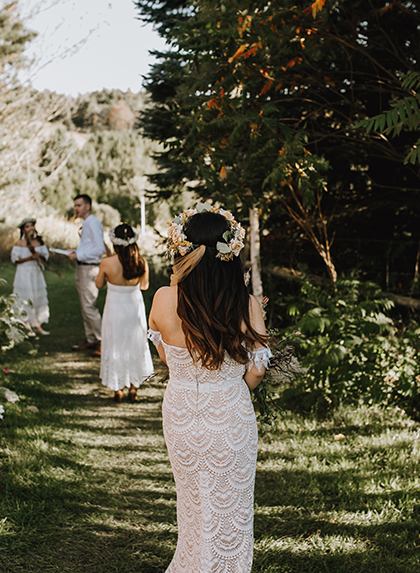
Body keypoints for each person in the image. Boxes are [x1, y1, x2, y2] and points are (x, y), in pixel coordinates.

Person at [147, 203, 271, 573]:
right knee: (230, 507)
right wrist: (231, 386)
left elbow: (167, 358)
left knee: (193, 506)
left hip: (182, 412)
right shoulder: (245, 305)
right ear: (230, 254)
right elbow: (258, 370)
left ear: (182, 251)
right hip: (230, 412)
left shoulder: (163, 300)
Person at [95, 224, 153, 403]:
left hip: (115, 307)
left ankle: (118, 388)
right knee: (135, 343)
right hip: (134, 306)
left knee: (115, 344)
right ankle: (134, 388)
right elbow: (144, 286)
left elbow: (98, 285)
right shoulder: (141, 262)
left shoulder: (107, 263)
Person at [66, 194, 106, 355]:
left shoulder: (93, 223)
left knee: (89, 306)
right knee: (84, 306)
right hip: (81, 267)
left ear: (88, 206)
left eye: (79, 205)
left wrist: (79, 255)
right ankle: (91, 339)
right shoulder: (86, 223)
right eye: (75, 205)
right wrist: (76, 252)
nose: (76, 208)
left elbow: (99, 249)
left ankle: (104, 341)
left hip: (90, 269)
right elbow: (89, 247)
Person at [11, 218, 50, 336]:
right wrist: (29, 258)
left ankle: (36, 324)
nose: (30, 228)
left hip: (36, 272)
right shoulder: (19, 243)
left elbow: (46, 256)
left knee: (37, 296)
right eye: (27, 226)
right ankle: (26, 323)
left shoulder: (39, 242)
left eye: (32, 226)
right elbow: (15, 259)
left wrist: (40, 256)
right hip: (24, 273)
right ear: (23, 229)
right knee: (26, 297)